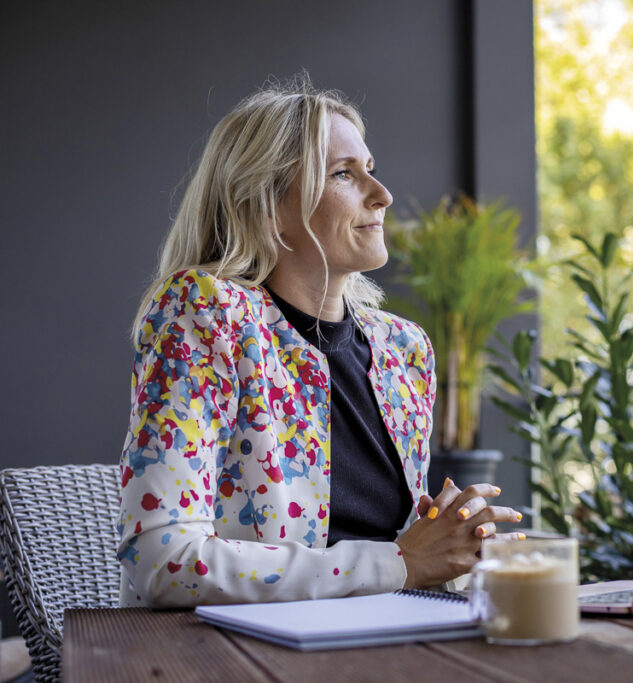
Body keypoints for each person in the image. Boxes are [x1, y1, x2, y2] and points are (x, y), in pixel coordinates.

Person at [117, 77, 522, 607]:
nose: (383, 196)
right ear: (268, 205)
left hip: (387, 640)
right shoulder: (207, 313)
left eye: (370, 171)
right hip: (231, 655)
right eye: (343, 174)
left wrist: (454, 548)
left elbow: (409, 563)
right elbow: (163, 561)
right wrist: (401, 561)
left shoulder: (405, 350)